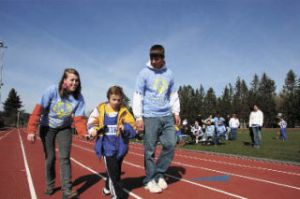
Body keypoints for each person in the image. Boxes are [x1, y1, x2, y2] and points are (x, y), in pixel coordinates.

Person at [27, 68, 88, 199]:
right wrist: (31, 130)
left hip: (65, 128)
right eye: (72, 80)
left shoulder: (79, 97)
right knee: (50, 158)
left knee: (65, 158)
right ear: (64, 80)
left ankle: (67, 191)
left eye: (77, 80)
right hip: (47, 127)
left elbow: (79, 119)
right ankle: (50, 185)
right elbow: (38, 109)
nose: (75, 83)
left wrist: (83, 133)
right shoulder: (52, 91)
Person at [132, 44, 181, 193]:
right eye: (152, 57)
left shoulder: (169, 74)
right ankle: (149, 180)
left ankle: (159, 174)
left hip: (166, 115)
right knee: (149, 150)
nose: (154, 61)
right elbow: (138, 95)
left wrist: (176, 112)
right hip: (150, 116)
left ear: (162, 58)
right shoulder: (143, 73)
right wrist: (138, 116)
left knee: (171, 144)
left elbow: (173, 94)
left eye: (157, 58)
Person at [87, 86, 137, 199]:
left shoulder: (124, 111)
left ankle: (107, 188)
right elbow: (92, 121)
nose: (116, 102)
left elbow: (133, 127)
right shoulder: (101, 109)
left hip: (120, 147)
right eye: (114, 99)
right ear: (109, 98)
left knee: (115, 171)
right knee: (115, 174)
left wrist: (125, 127)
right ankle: (117, 196)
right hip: (106, 147)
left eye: (119, 100)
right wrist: (93, 130)